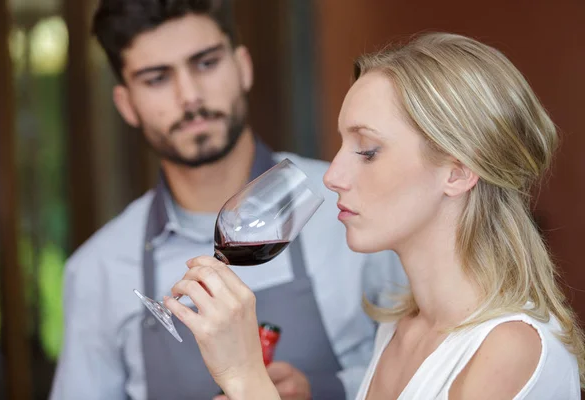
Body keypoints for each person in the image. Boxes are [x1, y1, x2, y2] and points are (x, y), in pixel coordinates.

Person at [164, 32, 585, 399]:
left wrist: (244, 377)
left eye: (366, 150)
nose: (332, 176)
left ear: (458, 171)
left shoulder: (510, 350)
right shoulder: (402, 330)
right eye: (342, 145)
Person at [49, 1, 406, 399]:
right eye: (156, 78)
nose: (190, 96)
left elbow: (433, 370)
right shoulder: (96, 270)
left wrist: (323, 390)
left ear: (243, 67)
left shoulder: (351, 201)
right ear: (127, 105)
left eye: (205, 64)